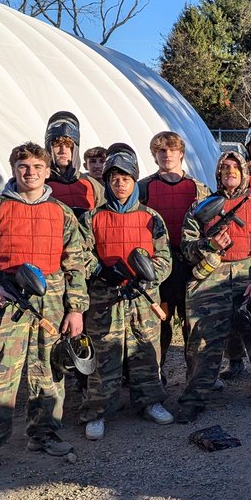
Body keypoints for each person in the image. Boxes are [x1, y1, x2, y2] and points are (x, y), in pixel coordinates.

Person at [0, 142, 88, 479]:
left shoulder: (62, 213)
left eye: (38, 167)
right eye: (24, 167)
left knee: (49, 371)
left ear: (47, 171)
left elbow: (76, 265)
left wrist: (76, 309)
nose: (31, 173)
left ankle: (43, 434)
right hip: (8, 302)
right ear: (14, 169)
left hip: (51, 303)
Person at [175, 151, 251, 422]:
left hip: (250, 273)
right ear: (218, 173)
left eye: (235, 168)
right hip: (210, 278)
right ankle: (194, 397)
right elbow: (186, 247)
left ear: (244, 172)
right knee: (202, 341)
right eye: (224, 168)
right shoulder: (202, 205)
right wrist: (210, 245)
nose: (230, 172)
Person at [78, 147, 175, 439]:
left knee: (146, 351)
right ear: (107, 182)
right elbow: (81, 254)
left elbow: (165, 259)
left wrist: (146, 278)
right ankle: (97, 411)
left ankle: (150, 401)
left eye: (125, 178)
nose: (120, 184)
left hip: (142, 298)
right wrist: (100, 271)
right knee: (105, 355)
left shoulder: (151, 218)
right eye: (114, 178)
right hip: (105, 298)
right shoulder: (92, 218)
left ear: (135, 180)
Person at [138, 131, 210, 381]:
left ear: (181, 153)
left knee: (193, 324)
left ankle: (196, 377)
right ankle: (157, 374)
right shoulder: (143, 187)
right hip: (159, 266)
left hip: (191, 265)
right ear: (154, 155)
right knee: (161, 322)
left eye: (171, 150)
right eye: (161, 151)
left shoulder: (198, 189)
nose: (167, 155)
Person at [44, 112, 105, 221]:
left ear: (75, 149)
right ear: (49, 148)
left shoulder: (92, 185)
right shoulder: (40, 183)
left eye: (68, 146)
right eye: (57, 145)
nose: (63, 151)